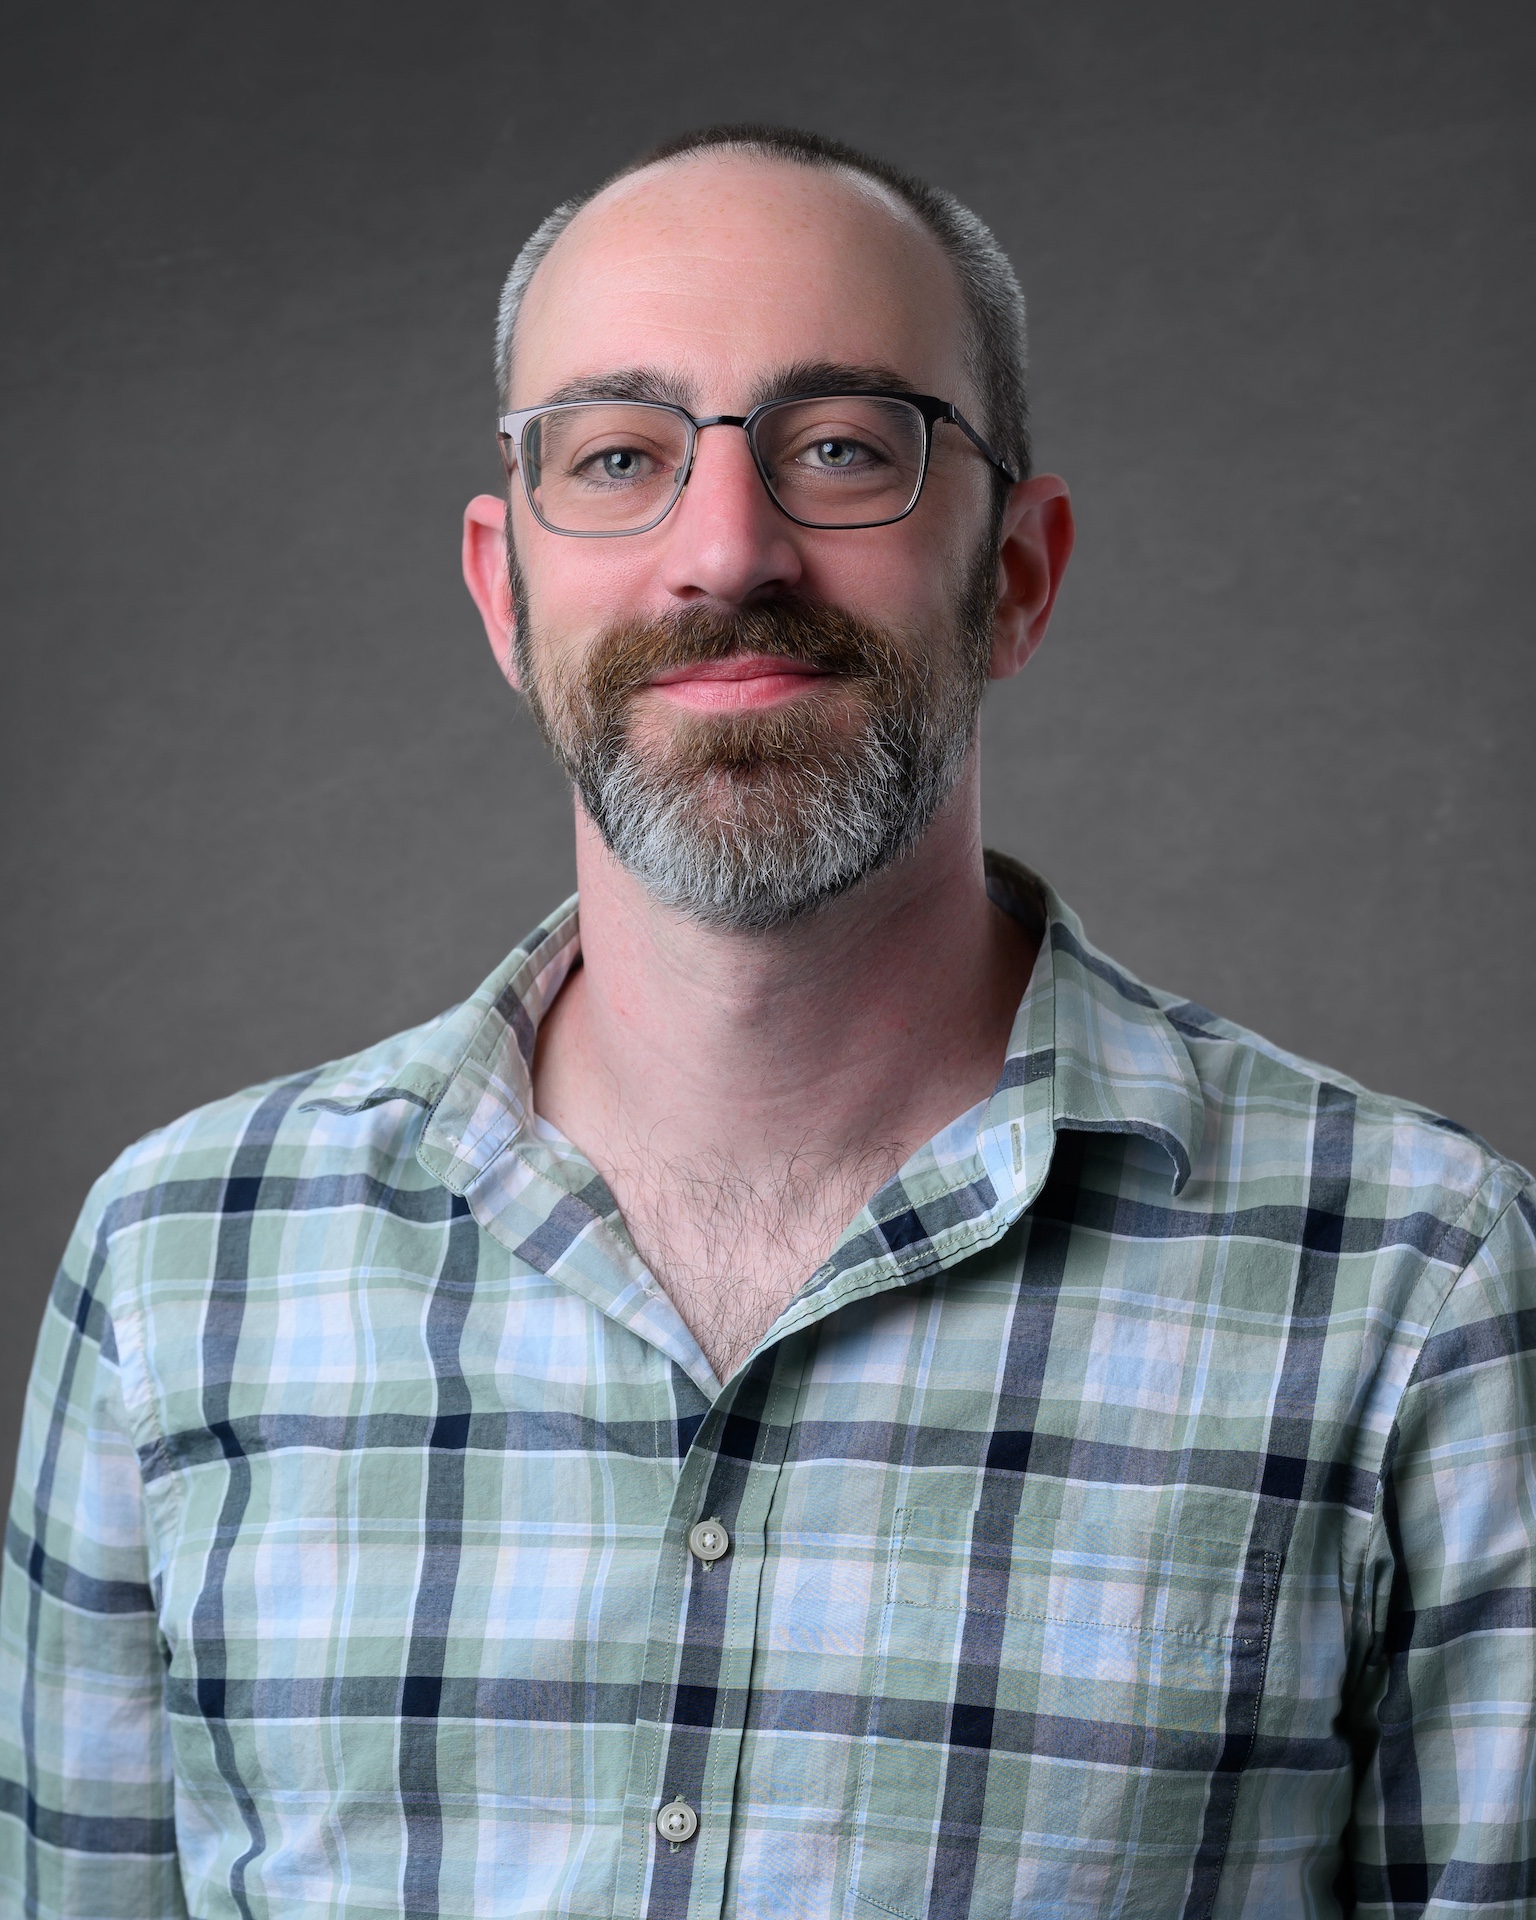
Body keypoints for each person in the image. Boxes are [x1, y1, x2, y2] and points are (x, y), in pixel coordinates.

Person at [1, 122, 1532, 1920]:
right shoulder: (182, 1267)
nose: (727, 552)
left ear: (1017, 576)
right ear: (504, 590)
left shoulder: (1419, 1287)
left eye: (841, 449)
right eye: (619, 455)